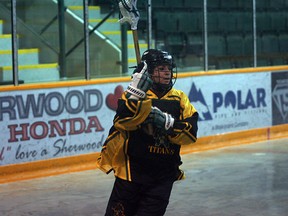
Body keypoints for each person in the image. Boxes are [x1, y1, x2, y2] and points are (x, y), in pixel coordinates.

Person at [97, 49, 198, 216]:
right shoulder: (135, 95)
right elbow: (121, 122)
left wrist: (166, 123)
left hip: (162, 177)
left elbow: (191, 134)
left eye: (169, 68)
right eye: (161, 69)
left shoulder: (179, 98)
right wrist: (135, 93)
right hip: (130, 174)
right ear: (148, 71)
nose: (167, 73)